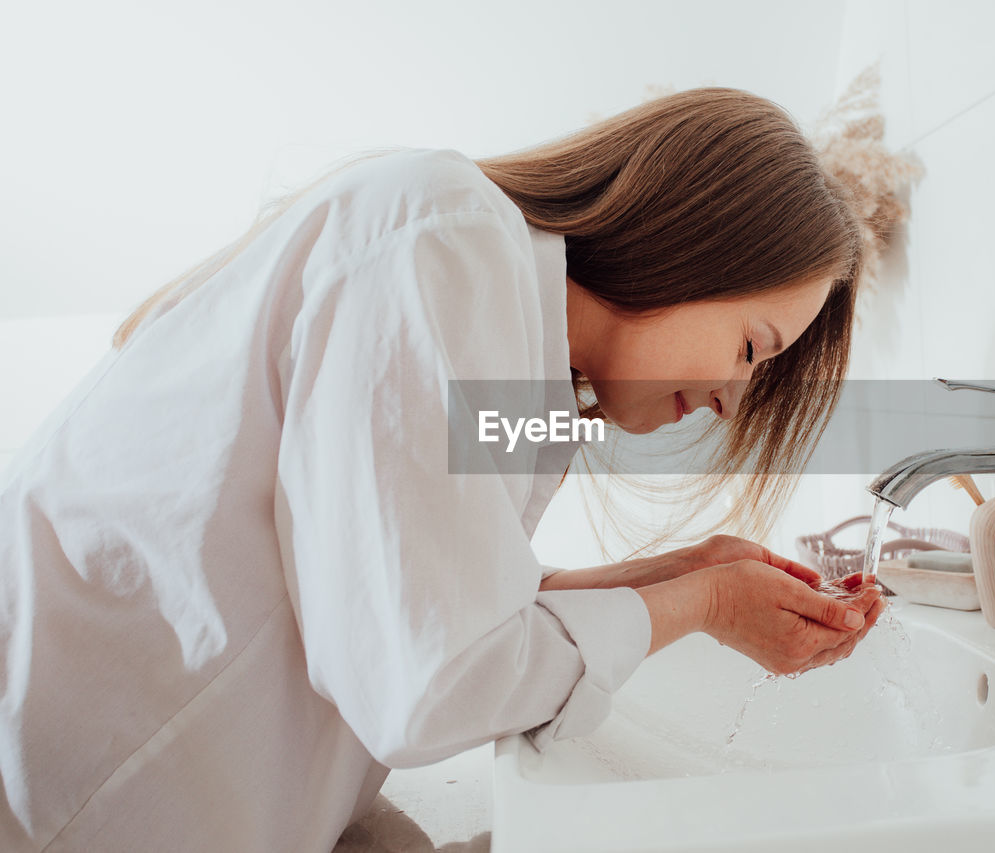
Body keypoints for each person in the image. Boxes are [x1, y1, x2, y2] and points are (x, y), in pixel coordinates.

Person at [0, 88, 888, 851]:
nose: (736, 395)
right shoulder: (451, 237)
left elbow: (422, 597)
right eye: (751, 347)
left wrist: (677, 575)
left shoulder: (502, 326)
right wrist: (703, 605)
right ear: (699, 241)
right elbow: (428, 682)